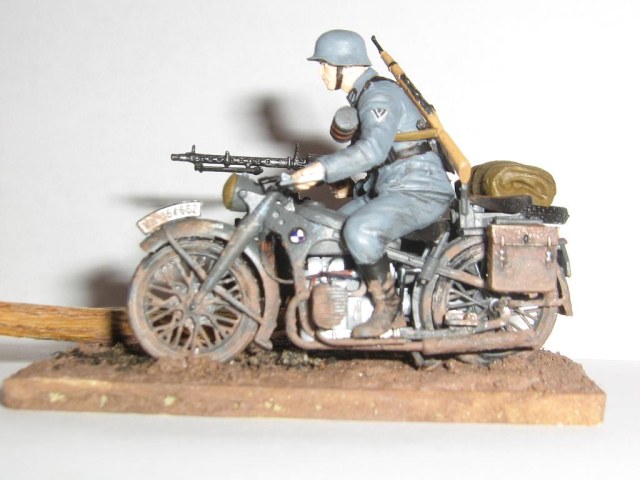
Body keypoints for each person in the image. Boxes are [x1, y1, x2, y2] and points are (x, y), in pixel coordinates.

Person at [291, 30, 454, 338]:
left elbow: (373, 151)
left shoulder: (378, 96)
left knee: (360, 231)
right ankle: (339, 299)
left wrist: (322, 169)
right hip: (396, 187)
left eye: (325, 64)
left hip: (420, 190)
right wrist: (353, 187)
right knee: (328, 227)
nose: (321, 72)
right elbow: (389, 160)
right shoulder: (366, 95)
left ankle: (388, 308)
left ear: (345, 66)